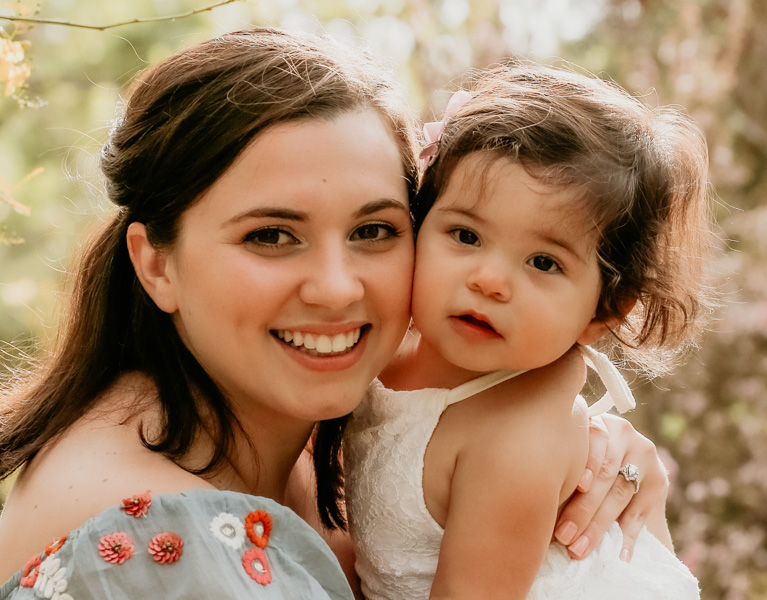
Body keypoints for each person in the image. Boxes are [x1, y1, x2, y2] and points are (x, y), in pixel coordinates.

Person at [0, 28, 671, 598]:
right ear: (156, 264)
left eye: (373, 231)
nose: (336, 288)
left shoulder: (295, 438)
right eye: (270, 236)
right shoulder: (163, 536)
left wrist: (582, 441)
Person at [343, 63, 714, 599]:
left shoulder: (518, 444)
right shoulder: (381, 346)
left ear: (602, 313)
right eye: (466, 234)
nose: (490, 280)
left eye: (543, 263)